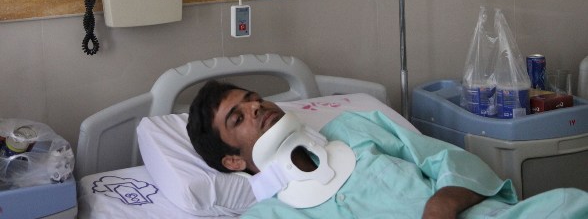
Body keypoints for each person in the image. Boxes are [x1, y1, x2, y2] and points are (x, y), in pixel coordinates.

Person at [187, 80, 588, 219]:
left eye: (253, 99)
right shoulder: (269, 214)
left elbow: (448, 160)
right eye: (237, 118)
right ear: (233, 160)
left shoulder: (353, 128)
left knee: (570, 203)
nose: (256, 108)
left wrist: (442, 204)